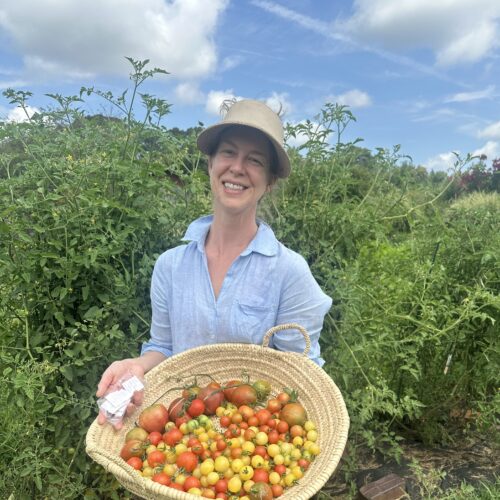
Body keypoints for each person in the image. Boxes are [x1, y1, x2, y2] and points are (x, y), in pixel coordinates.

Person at [96, 99, 332, 428]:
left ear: (269, 181)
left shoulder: (288, 272)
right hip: (180, 440)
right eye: (228, 153)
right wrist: (136, 364)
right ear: (210, 163)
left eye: (255, 160)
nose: (237, 167)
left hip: (252, 445)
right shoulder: (170, 266)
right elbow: (163, 347)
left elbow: (301, 374)